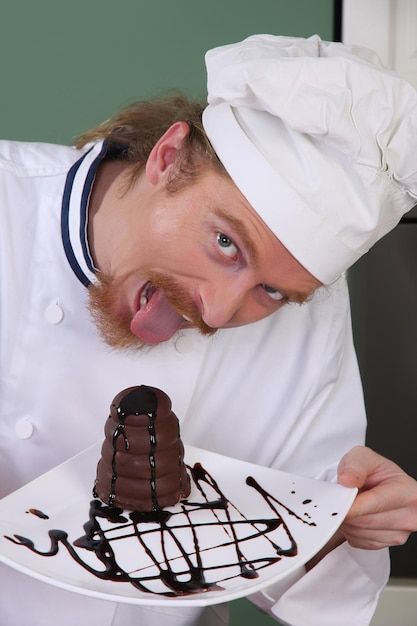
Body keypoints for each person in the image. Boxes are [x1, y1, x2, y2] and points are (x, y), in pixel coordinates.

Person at [0, 33, 416, 626]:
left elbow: (305, 573)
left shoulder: (308, 312)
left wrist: (346, 522)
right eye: (226, 244)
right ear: (167, 159)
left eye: (271, 292)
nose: (218, 314)